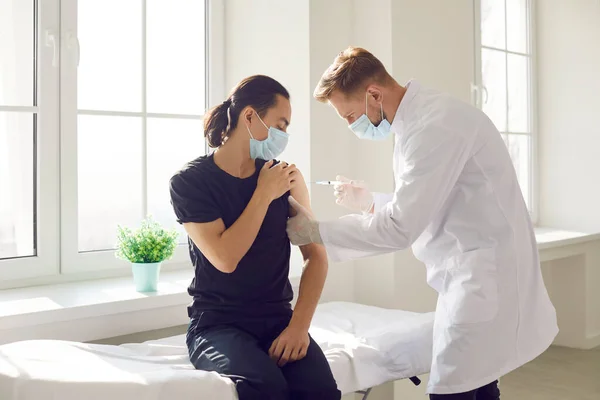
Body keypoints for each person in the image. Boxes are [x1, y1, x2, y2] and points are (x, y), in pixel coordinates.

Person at [286, 47, 558, 399]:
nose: (352, 125)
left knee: (452, 389)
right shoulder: (422, 119)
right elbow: (436, 203)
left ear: (373, 94)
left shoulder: (432, 126)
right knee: (478, 383)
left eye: (350, 116)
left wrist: (317, 231)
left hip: (482, 276)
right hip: (473, 270)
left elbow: (402, 227)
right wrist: (372, 203)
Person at [170, 75, 341, 400]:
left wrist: (298, 328)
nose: (284, 136)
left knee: (320, 390)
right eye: (281, 124)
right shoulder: (190, 182)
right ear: (249, 116)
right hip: (217, 325)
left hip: (278, 319)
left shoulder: (287, 179)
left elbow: (316, 256)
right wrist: (263, 194)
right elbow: (225, 258)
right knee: (265, 387)